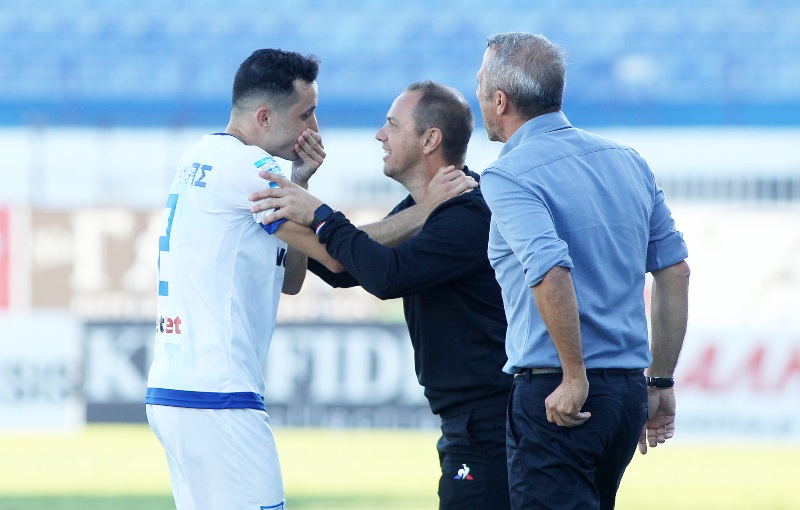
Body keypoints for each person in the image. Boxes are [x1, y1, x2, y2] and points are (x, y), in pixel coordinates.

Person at [250, 81, 514, 510]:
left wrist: (319, 214)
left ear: (430, 140)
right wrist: (297, 190)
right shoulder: (428, 208)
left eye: (393, 124)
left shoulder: (467, 211)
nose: (380, 135)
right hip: (471, 422)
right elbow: (342, 268)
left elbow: (388, 276)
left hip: (492, 421)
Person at [475, 32, 691, 509]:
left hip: (560, 393)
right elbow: (675, 270)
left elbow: (550, 270)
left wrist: (574, 377)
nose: (478, 95)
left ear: (500, 100)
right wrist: (661, 380)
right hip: (626, 393)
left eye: (480, 84)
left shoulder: (508, 174)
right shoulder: (627, 161)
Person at [145, 48, 340, 510]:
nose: (314, 129)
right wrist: (426, 212)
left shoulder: (199, 156)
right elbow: (337, 258)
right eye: (307, 114)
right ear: (265, 117)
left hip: (177, 389)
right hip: (220, 394)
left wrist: (300, 184)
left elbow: (291, 281)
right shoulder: (250, 168)